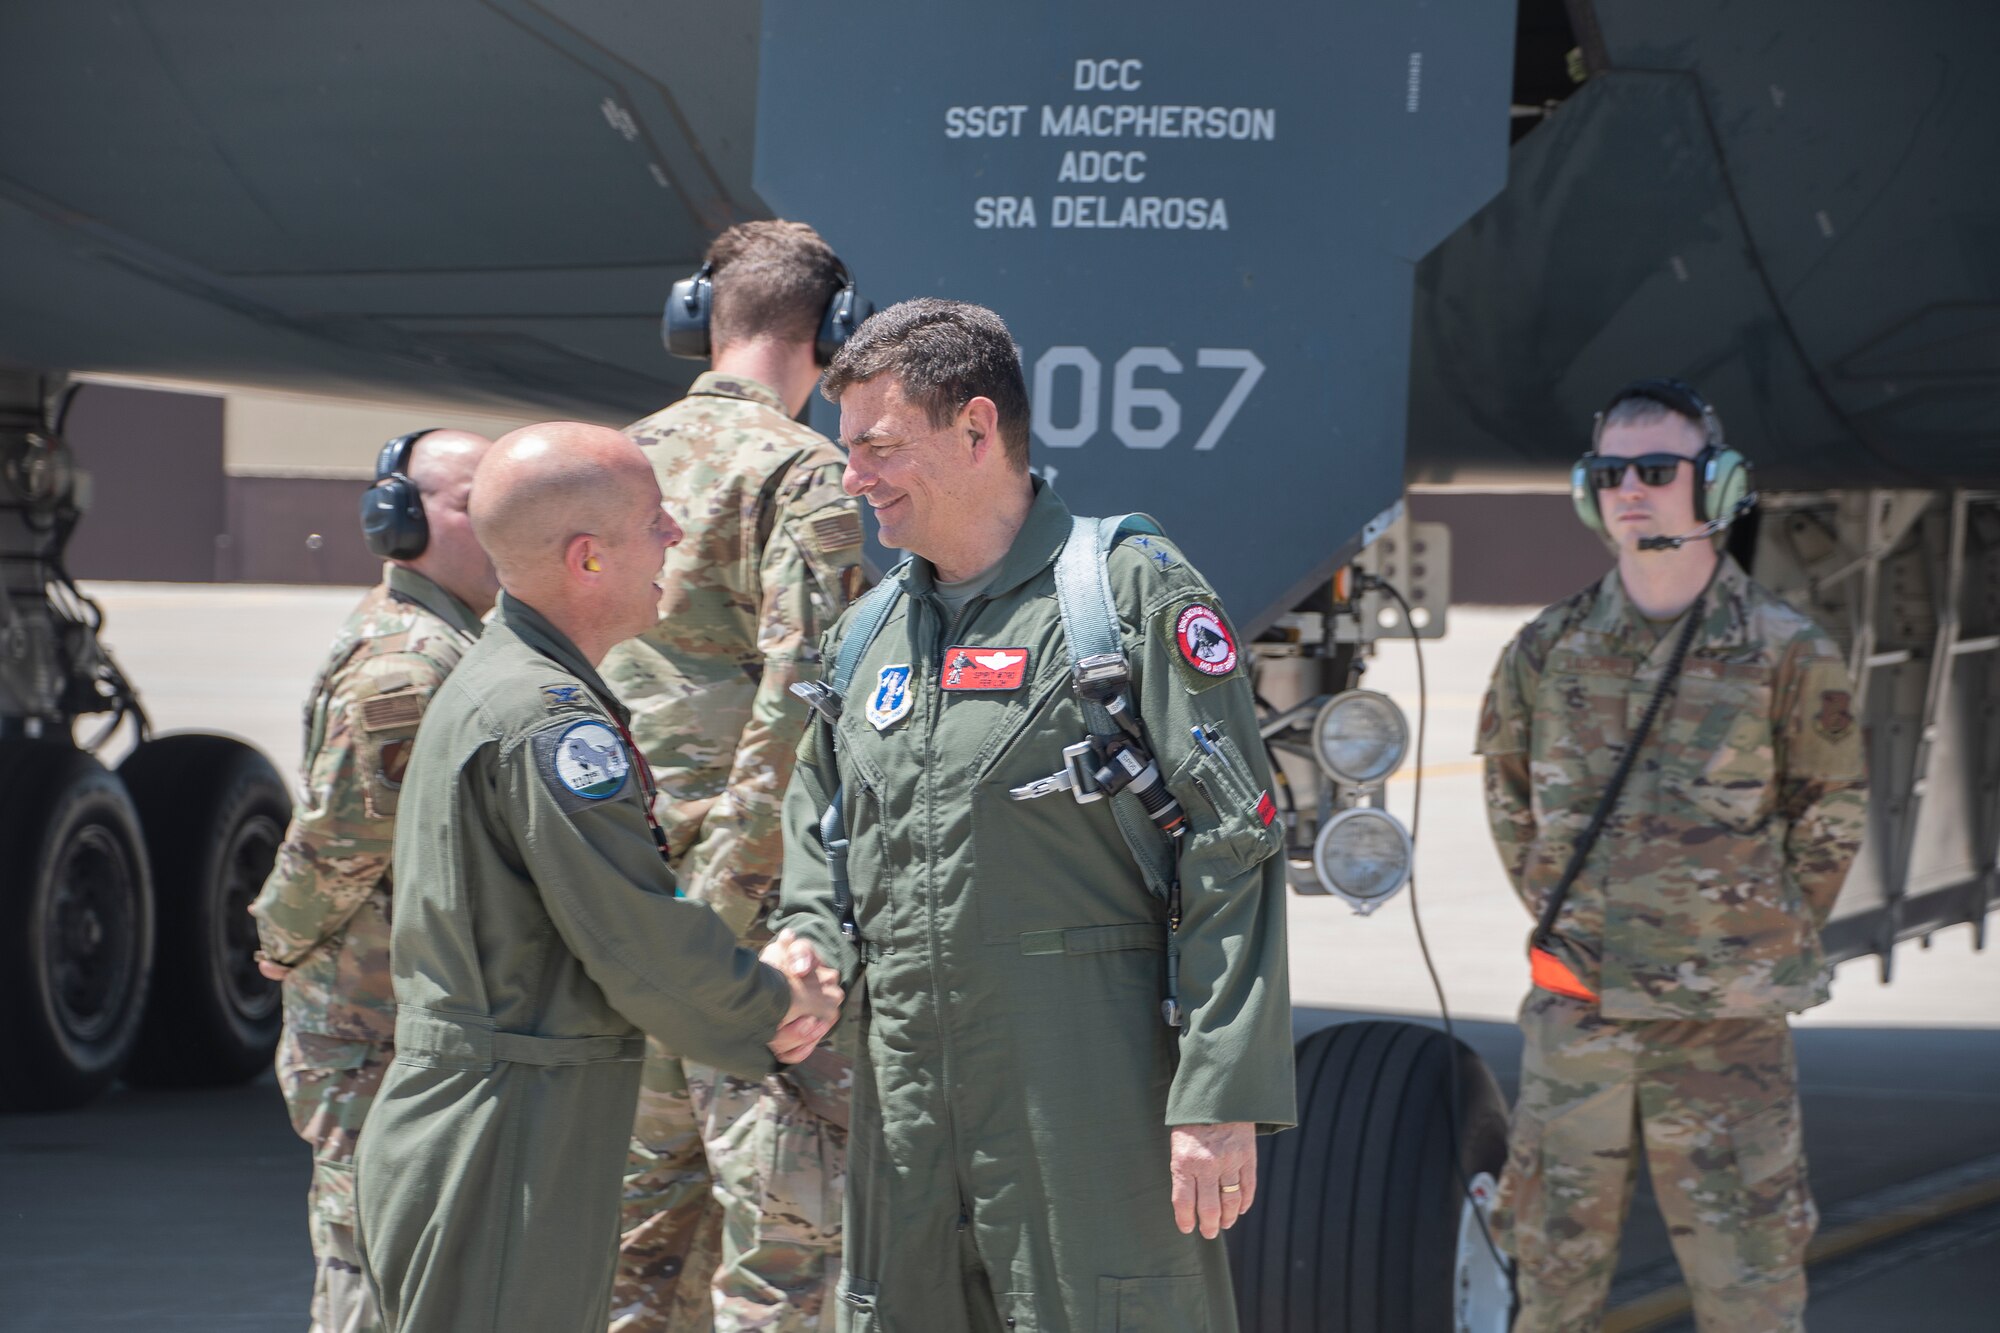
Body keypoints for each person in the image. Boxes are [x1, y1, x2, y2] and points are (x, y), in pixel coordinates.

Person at [772, 299, 1295, 1333]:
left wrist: (1217, 1092)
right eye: (848, 450)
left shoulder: (1122, 594)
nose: (853, 477)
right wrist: (808, 938)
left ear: (975, 429)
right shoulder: (869, 632)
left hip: (1088, 1094)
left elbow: (1232, 843)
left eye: (877, 446)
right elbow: (819, 819)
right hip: (908, 1105)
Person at [353, 422, 843, 1333]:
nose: (674, 541)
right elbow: (634, 938)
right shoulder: (548, 721)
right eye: (655, 522)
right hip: (504, 1137)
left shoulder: (512, 683)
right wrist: (775, 1003)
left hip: (507, 1115)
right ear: (586, 559)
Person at [1475, 379, 1868, 1332]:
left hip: (1726, 1034)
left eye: (1657, 470)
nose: (1630, 491)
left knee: (1752, 1293)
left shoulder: (1785, 651)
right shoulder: (1548, 650)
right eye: (1610, 473)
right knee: (1549, 1287)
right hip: (1581, 1022)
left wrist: (1736, 940)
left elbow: (1831, 815)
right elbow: (1511, 804)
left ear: (1718, 485)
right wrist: (1596, 930)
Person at [600, 221, 867, 1333]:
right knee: (781, 1256)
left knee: (629, 1247)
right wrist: (727, 910)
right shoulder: (804, 471)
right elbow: (806, 697)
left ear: (695, 317)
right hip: (738, 917)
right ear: (834, 337)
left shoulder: (611, 458)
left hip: (611, 887)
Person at [251, 427, 497, 1333]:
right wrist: (279, 936)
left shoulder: (449, 638)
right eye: (473, 504)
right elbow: (339, 841)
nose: (500, 522)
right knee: (369, 1257)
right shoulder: (409, 664)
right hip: (368, 1024)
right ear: (398, 518)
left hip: (399, 1012)